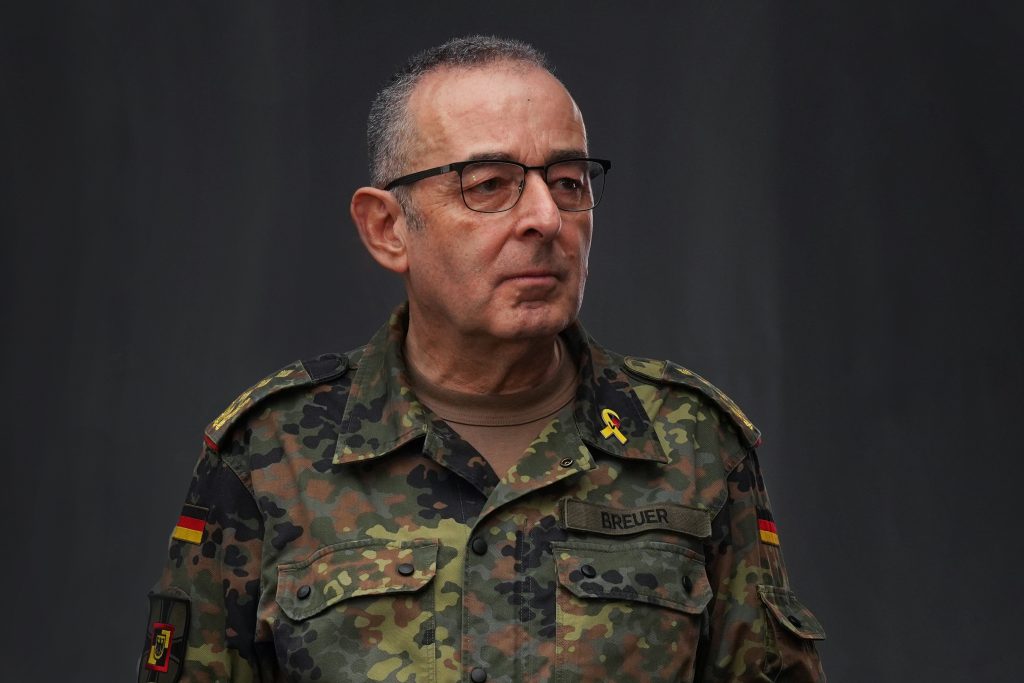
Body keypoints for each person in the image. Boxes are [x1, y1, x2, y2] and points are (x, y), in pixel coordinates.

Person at [139, 35, 826, 683]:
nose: (546, 218)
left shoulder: (694, 444)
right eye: (490, 184)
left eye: (568, 182)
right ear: (387, 228)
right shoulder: (270, 454)